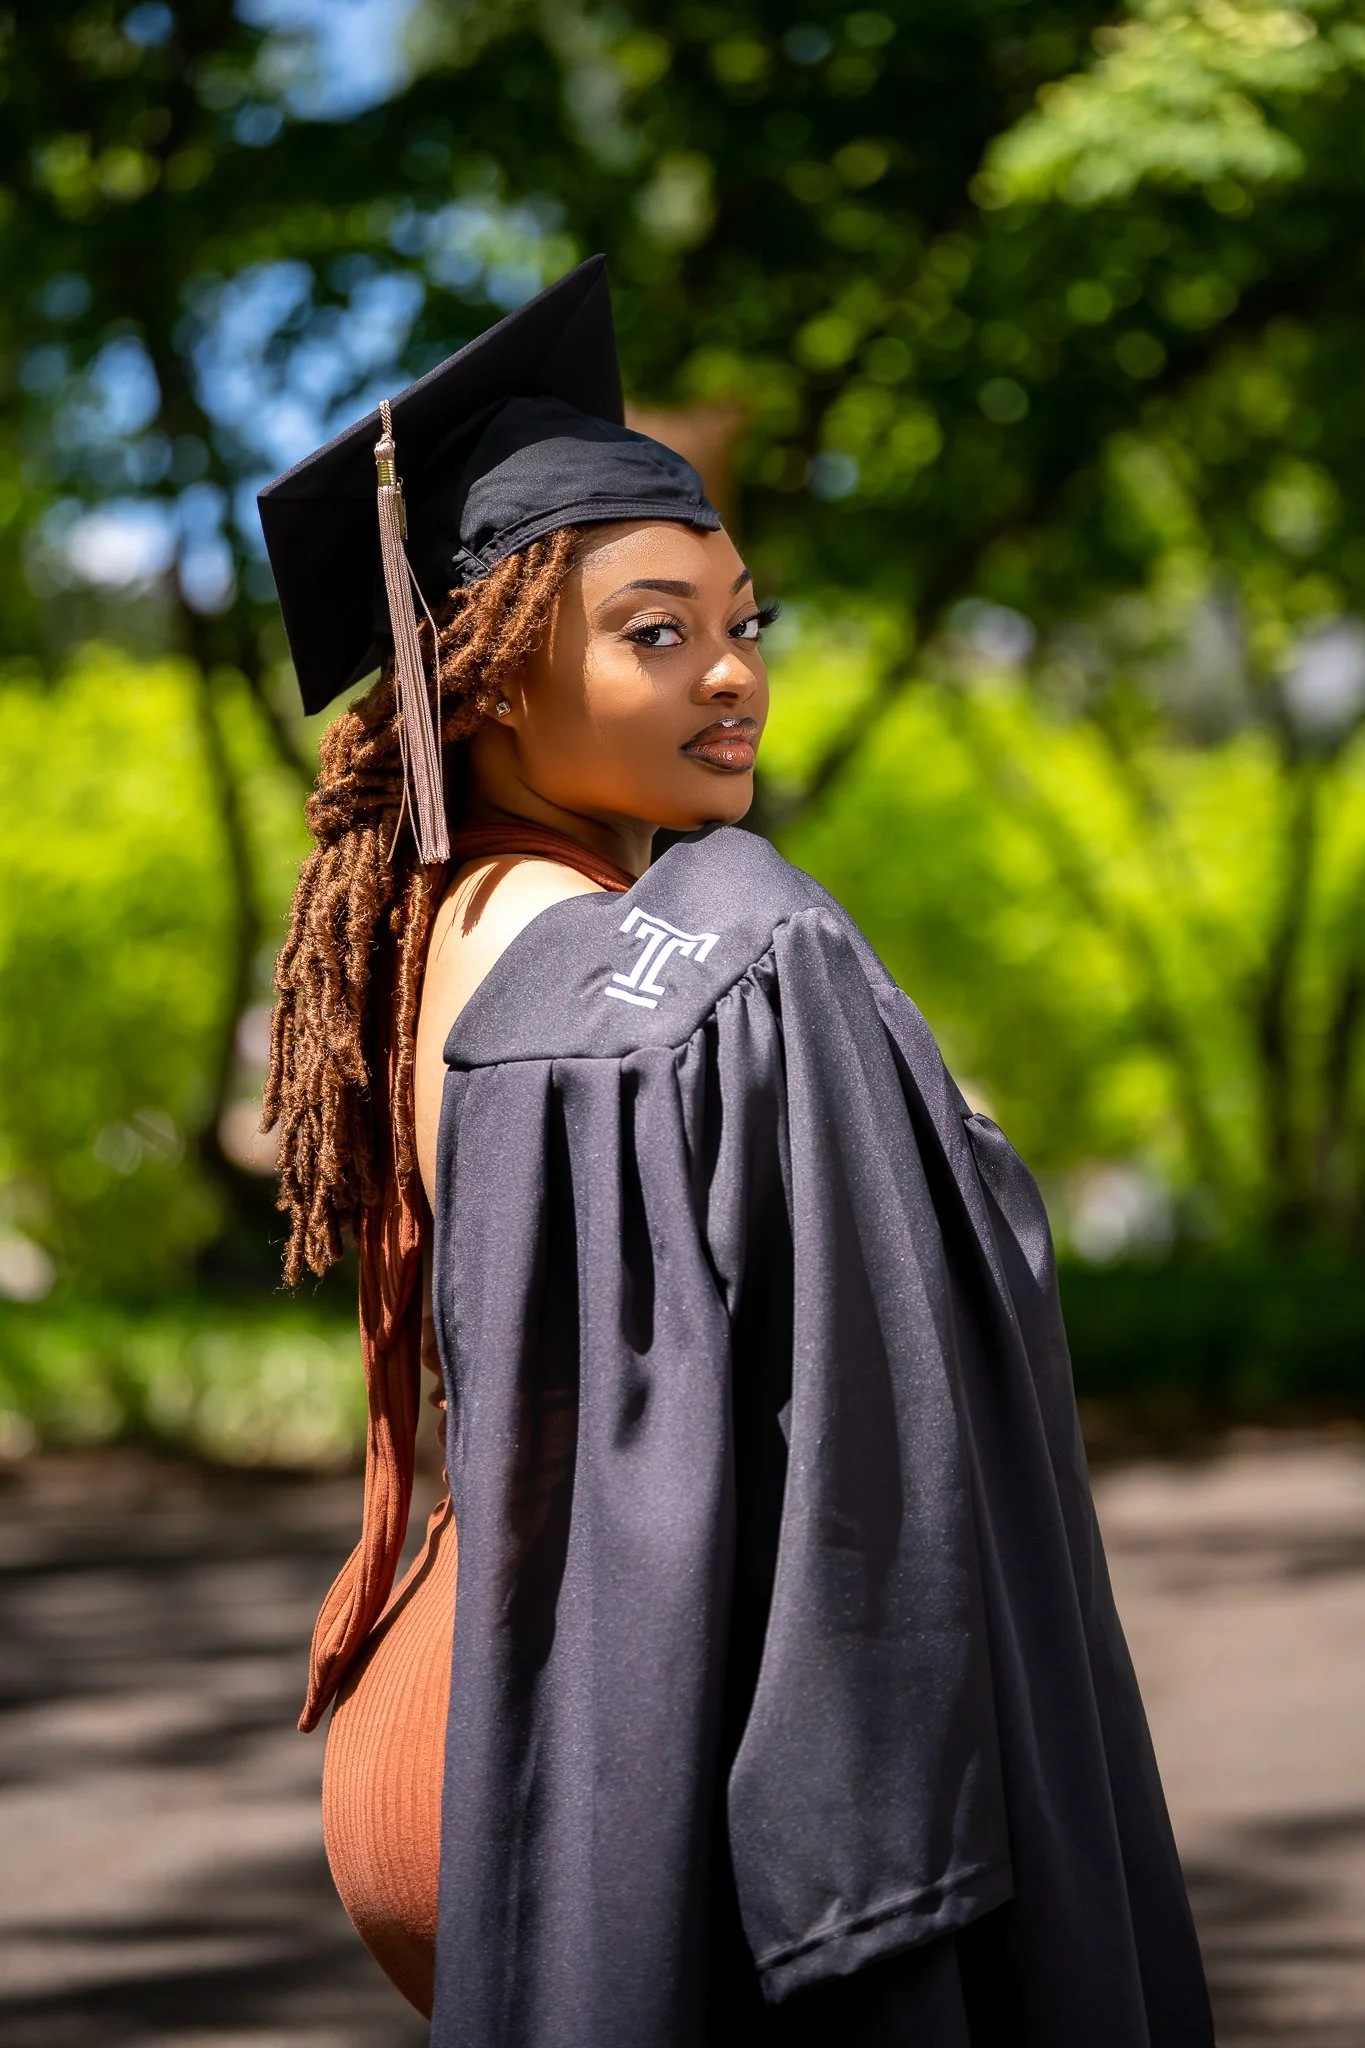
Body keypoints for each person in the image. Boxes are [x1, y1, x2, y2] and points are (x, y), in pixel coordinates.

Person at [258, 258, 1214, 2046]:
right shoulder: (732, 955)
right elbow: (857, 1470)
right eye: (653, 632)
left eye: (745, 620)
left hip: (461, 1718)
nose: (735, 677)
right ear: (473, 672)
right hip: (642, 1749)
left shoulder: (429, 937)